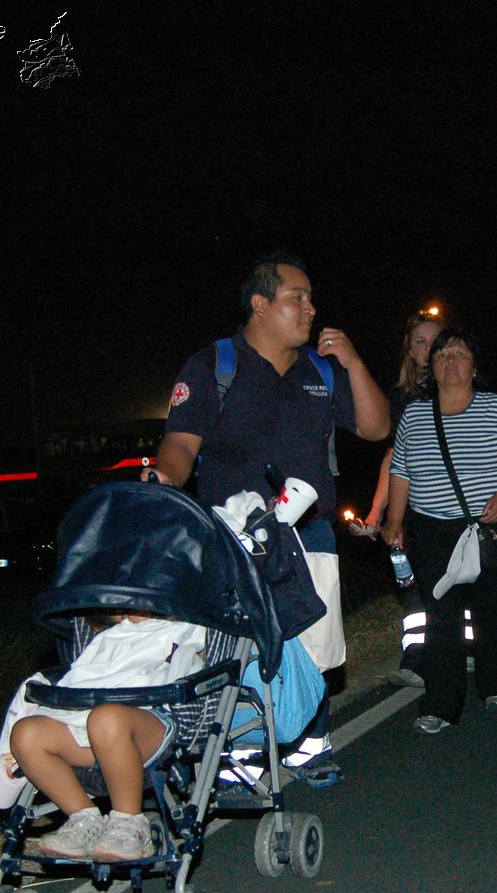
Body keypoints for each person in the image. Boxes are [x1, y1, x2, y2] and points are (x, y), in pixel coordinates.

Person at [151, 252, 389, 785]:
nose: (310, 308)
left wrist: (352, 362)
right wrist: (164, 479)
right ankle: (240, 747)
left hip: (308, 531)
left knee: (313, 642)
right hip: (232, 534)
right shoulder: (216, 365)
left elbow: (375, 429)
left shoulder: (322, 371)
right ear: (260, 305)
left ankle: (309, 743)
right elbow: (180, 443)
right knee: (234, 643)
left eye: (309, 298)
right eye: (296, 298)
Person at [381, 329, 497, 733]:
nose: (451, 362)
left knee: (491, 609)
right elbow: (400, 470)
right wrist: (394, 521)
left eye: (460, 354)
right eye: (442, 355)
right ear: (431, 368)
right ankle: (441, 703)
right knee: (440, 617)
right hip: (433, 529)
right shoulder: (415, 415)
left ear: (474, 365)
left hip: (486, 527)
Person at [0, 613, 201, 862]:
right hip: (90, 723)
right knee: (26, 734)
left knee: (106, 719)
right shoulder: (108, 637)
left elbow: (198, 661)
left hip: (151, 724)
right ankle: (84, 818)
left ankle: (129, 822)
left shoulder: (188, 627)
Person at [364, 312, 444, 687]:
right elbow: (394, 457)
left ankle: (466, 650)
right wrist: (376, 512)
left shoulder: (464, 386)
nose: (429, 350)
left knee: (454, 581)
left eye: (436, 340)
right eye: (420, 342)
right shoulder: (402, 398)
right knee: (409, 578)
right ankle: (415, 656)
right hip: (410, 502)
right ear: (410, 352)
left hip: (455, 503)